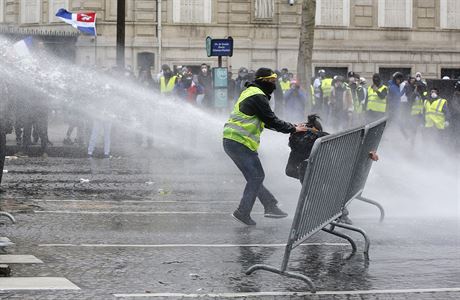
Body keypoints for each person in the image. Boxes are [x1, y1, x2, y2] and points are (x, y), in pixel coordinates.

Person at [223, 67, 307, 226]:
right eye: (272, 82)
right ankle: (243, 211)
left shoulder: (252, 92)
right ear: (264, 81)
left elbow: (265, 120)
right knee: (256, 176)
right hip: (239, 142)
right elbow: (271, 120)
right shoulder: (258, 96)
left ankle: (270, 206)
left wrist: (292, 126)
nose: (274, 85)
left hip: (234, 141)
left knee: (254, 177)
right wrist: (293, 129)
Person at [0, 78, 14, 192]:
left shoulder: (6, 90)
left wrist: (9, 124)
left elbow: (9, 109)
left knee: (1, 156)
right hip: (1, 127)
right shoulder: (5, 91)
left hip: (1, 128)